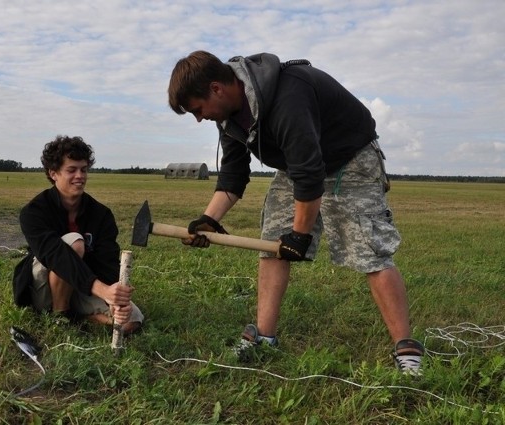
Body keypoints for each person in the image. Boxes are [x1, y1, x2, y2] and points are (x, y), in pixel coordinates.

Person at [167, 51, 424, 373]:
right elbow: (233, 175)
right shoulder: (229, 118)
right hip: (297, 169)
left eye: (197, 109)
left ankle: (406, 349)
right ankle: (264, 337)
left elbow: (309, 172)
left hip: (351, 160)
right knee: (273, 245)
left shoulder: (289, 94)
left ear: (217, 88)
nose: (199, 118)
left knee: (369, 251)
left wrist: (300, 235)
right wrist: (209, 219)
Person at [12, 135, 143, 334]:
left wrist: (113, 299)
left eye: (83, 169)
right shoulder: (34, 212)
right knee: (75, 242)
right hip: (44, 289)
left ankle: (79, 315)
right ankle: (60, 315)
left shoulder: (101, 214)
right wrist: (102, 290)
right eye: (71, 170)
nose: (80, 176)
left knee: (130, 322)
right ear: (53, 173)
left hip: (82, 285)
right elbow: (55, 255)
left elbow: (107, 260)